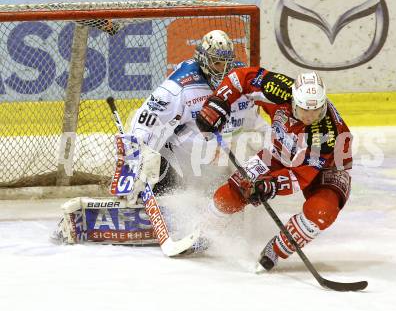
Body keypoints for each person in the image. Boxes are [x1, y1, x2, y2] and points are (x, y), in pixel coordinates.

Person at [195, 69, 352, 270]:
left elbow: (300, 176)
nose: (311, 116)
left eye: (317, 110)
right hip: (278, 154)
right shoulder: (277, 88)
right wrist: (217, 102)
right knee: (233, 192)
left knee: (322, 211)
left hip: (329, 166)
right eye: (305, 109)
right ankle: (204, 233)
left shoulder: (326, 134)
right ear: (293, 101)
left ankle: (276, 250)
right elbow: (240, 78)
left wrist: (272, 185)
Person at [117, 29, 265, 202]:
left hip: (218, 161)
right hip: (182, 159)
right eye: (218, 63)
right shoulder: (179, 86)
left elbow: (262, 112)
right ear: (203, 60)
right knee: (153, 159)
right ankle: (151, 194)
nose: (224, 70)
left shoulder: (243, 77)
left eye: (228, 63)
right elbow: (145, 123)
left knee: (251, 149)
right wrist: (132, 171)